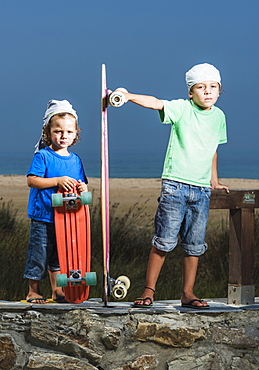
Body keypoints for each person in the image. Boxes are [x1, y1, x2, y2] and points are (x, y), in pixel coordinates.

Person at [113, 63, 229, 309]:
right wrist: (128, 96)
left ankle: (187, 293)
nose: (207, 91)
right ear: (191, 92)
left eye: (212, 87)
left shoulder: (219, 117)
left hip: (201, 190)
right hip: (175, 185)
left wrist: (214, 181)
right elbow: (156, 102)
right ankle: (148, 291)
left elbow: (213, 150)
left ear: (220, 90)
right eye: (201, 87)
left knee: (194, 245)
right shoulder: (182, 109)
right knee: (164, 241)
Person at [24, 99, 88, 303]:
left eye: (69, 132)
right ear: (48, 132)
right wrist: (57, 181)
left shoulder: (75, 160)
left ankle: (57, 290)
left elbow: (81, 184)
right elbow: (32, 180)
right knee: (39, 254)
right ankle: (33, 291)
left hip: (66, 218)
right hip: (43, 215)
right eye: (58, 131)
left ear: (76, 133)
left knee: (60, 257)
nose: (63, 136)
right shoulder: (43, 156)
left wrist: (83, 188)